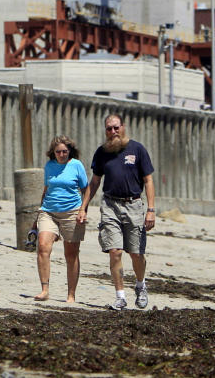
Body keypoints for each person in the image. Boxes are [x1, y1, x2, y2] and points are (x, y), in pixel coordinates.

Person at [77, 113, 155, 310]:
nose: (113, 132)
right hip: (110, 205)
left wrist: (151, 210)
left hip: (134, 206)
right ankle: (120, 296)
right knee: (115, 251)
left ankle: (140, 285)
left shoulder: (137, 149)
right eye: (109, 129)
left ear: (123, 127)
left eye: (116, 127)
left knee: (136, 253)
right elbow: (95, 182)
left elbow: (148, 180)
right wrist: (83, 207)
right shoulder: (102, 152)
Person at [34, 135, 89, 303]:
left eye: (65, 151)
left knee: (71, 254)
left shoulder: (76, 165)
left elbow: (86, 189)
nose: (62, 154)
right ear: (53, 152)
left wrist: (83, 210)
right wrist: (38, 212)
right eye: (58, 152)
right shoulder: (49, 166)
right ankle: (44, 290)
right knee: (43, 246)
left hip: (72, 212)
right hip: (49, 211)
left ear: (69, 151)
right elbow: (46, 189)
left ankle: (71, 294)